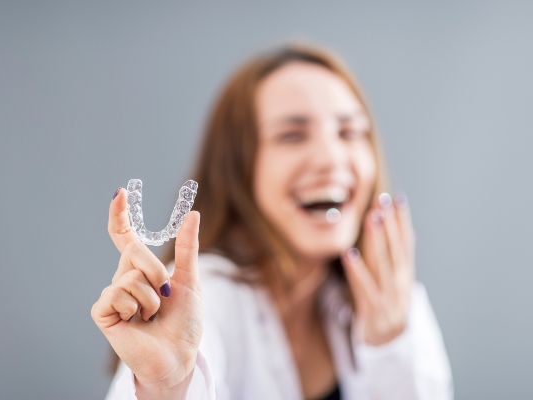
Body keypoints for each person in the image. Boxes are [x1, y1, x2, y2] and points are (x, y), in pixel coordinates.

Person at [91, 43, 453, 400]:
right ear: (239, 169)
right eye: (291, 135)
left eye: (350, 132)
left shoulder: (389, 298)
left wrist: (390, 345)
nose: (331, 157)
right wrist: (166, 389)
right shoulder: (200, 299)